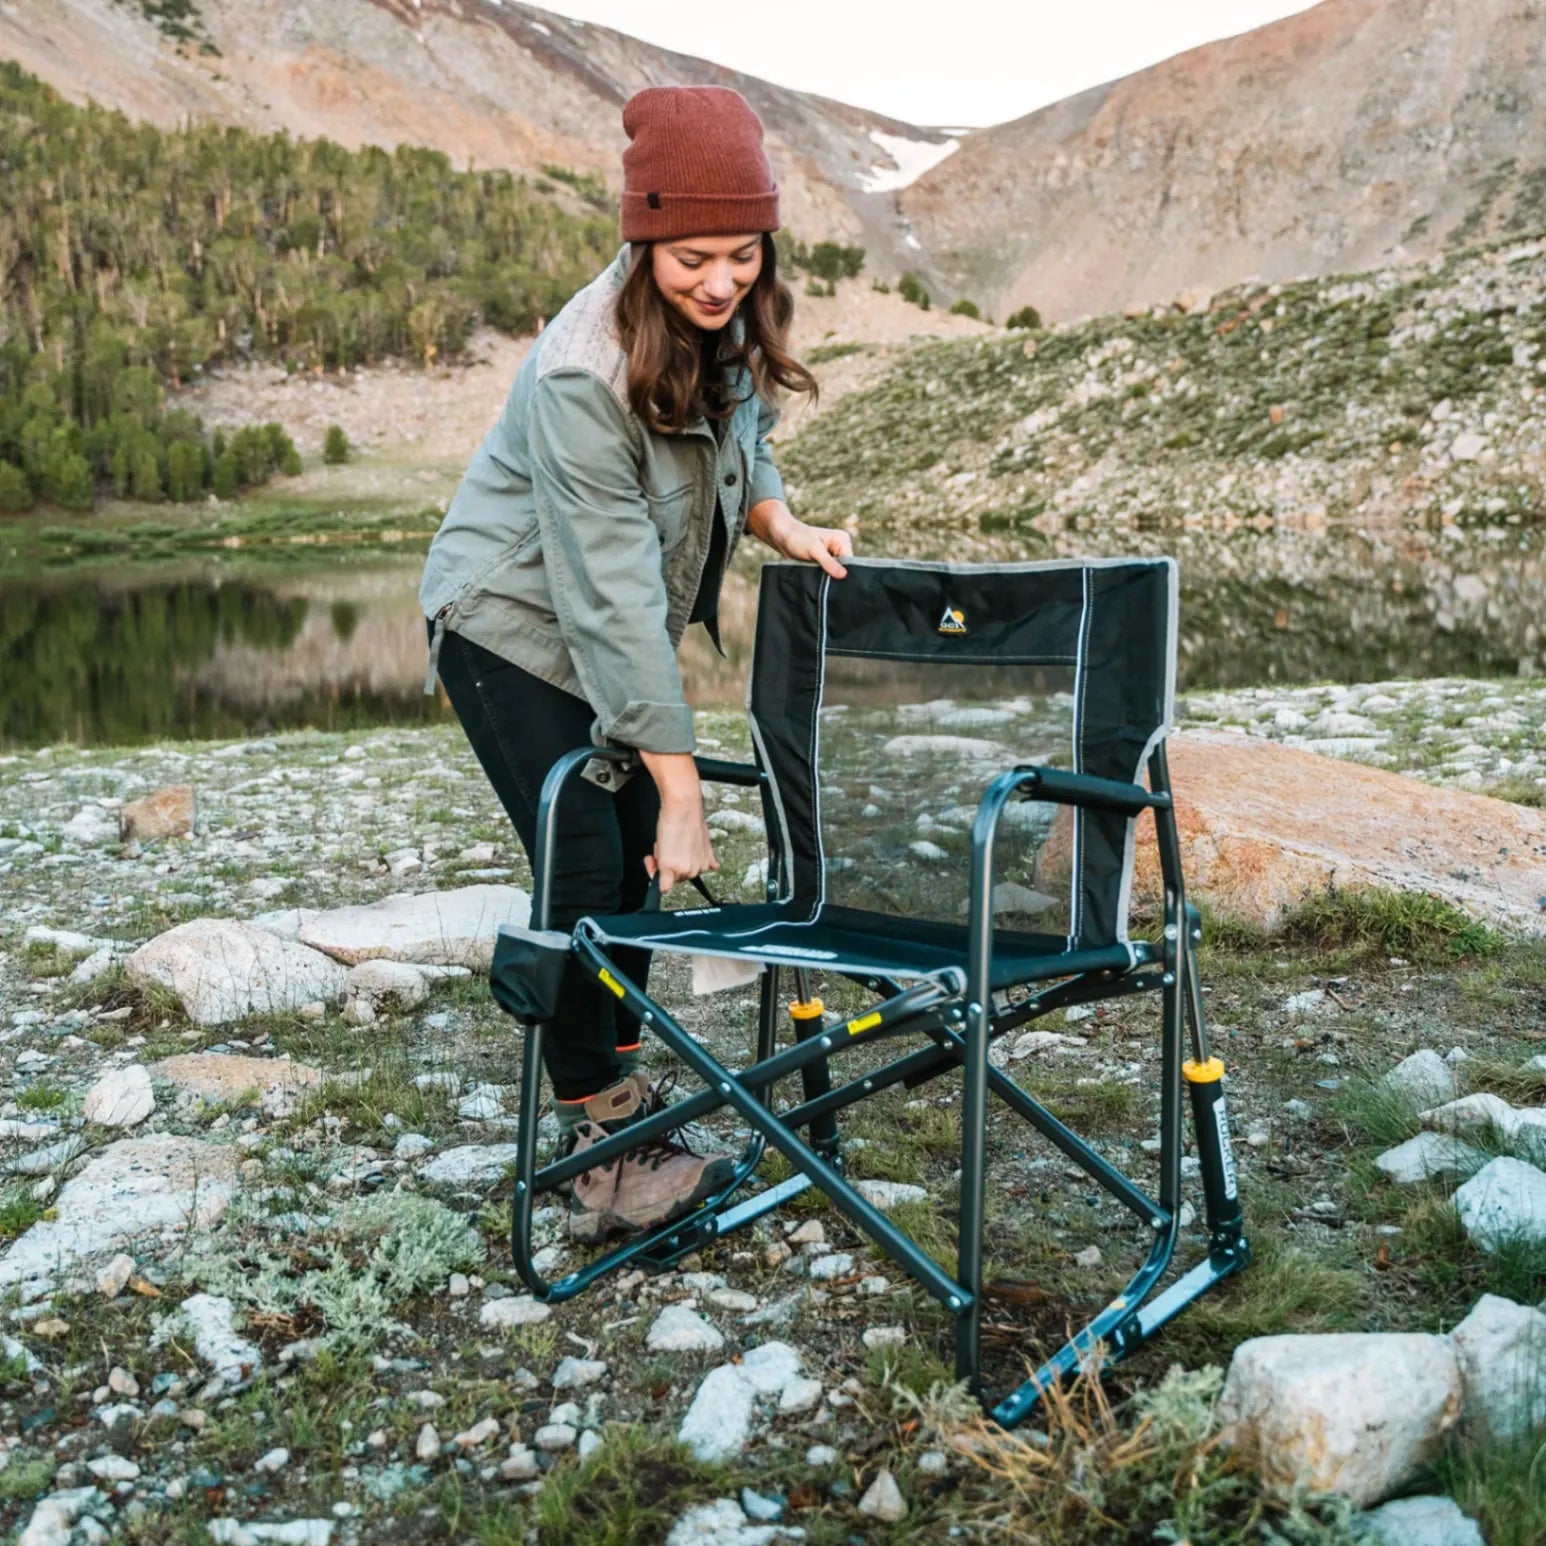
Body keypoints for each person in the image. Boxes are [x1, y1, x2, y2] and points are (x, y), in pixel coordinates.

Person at [420, 85, 853, 1243]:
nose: (720, 282)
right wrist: (678, 795)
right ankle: (600, 1146)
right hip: (505, 621)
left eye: (743, 255)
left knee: (628, 878)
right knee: (588, 852)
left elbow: (741, 433)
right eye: (693, 257)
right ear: (640, 238)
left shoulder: (723, 324)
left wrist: (778, 523)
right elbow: (609, 604)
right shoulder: (580, 373)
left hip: (594, 625)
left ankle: (615, 1104)